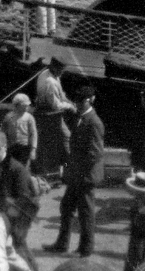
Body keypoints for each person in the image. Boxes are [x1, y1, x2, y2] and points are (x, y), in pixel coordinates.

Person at [45, 85, 104, 256]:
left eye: (81, 101)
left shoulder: (94, 122)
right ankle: (62, 244)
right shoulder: (81, 117)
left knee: (86, 213)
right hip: (77, 175)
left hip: (85, 177)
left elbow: (94, 154)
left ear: (90, 100)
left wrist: (77, 171)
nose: (77, 104)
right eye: (76, 101)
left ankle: (86, 249)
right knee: (66, 208)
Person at [34, 56, 74, 179]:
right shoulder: (49, 81)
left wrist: (69, 101)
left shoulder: (50, 74)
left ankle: (65, 168)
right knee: (67, 138)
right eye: (61, 70)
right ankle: (70, 170)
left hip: (51, 112)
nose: (62, 72)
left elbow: (60, 95)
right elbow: (55, 105)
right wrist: (71, 107)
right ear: (55, 68)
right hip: (49, 115)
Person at [1, 93, 38, 167]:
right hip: (11, 146)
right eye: (24, 105)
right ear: (17, 105)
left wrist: (33, 149)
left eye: (27, 105)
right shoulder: (9, 117)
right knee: (11, 166)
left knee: (23, 167)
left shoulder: (29, 117)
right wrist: (3, 146)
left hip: (24, 147)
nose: (26, 107)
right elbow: (3, 131)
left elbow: (33, 134)